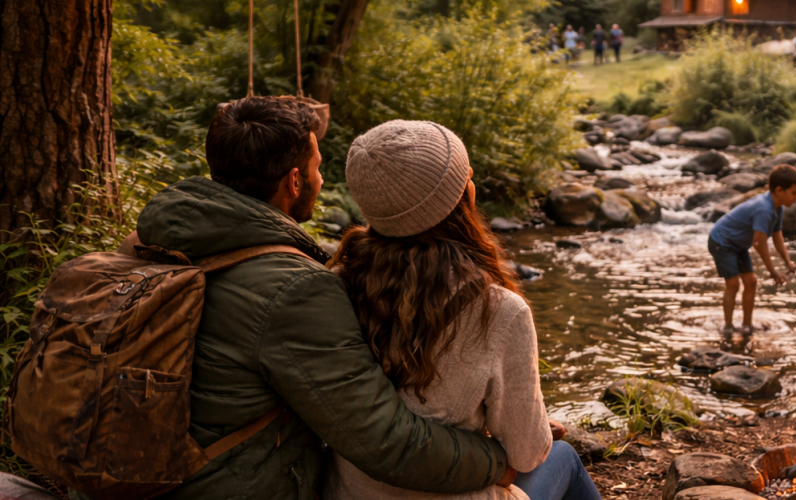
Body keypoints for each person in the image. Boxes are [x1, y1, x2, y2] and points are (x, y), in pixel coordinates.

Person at [115, 98, 509, 499]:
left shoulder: (147, 243)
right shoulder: (293, 290)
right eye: (317, 168)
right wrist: (496, 459)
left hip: (137, 478)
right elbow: (387, 442)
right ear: (294, 182)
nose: (321, 180)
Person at [325, 120, 603, 500]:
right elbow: (528, 453)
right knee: (564, 456)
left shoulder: (334, 283)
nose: (472, 184)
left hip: (351, 493)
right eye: (466, 177)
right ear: (460, 200)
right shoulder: (499, 311)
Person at [708, 165, 796, 333]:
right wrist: (773, 272)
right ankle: (728, 328)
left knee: (751, 282)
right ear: (780, 190)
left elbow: (777, 237)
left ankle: (747, 326)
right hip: (722, 241)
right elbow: (759, 243)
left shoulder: (777, 207)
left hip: (737, 244)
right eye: (794, 192)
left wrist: (788, 263)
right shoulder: (764, 209)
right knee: (733, 283)